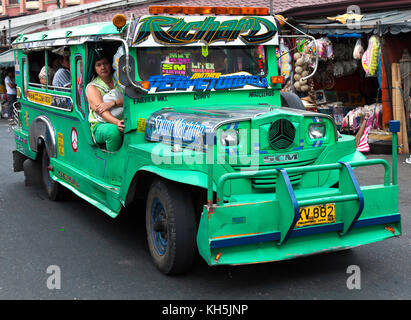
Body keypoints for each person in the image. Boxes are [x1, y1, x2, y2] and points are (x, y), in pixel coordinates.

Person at [86, 52, 124, 152]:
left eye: (105, 63)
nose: (103, 67)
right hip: (101, 125)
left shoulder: (120, 79)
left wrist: (113, 103)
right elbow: (101, 111)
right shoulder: (92, 87)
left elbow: (131, 99)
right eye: (98, 65)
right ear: (94, 68)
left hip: (124, 118)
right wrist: (117, 123)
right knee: (113, 132)